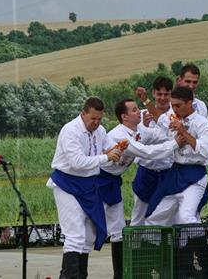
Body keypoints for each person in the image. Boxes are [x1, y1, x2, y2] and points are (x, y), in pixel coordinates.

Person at [100, 98, 181, 279]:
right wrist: (176, 143)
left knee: (118, 230)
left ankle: (123, 274)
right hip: (96, 180)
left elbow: (158, 135)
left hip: (112, 181)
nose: (140, 112)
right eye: (135, 110)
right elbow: (146, 153)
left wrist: (178, 129)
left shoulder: (139, 131)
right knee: (86, 230)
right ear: (124, 116)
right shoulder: (119, 135)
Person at [145, 86, 208, 278]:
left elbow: (206, 151)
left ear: (189, 103)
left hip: (194, 175)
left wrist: (184, 132)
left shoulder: (202, 124)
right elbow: (160, 119)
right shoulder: (172, 120)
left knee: (186, 217)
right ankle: (166, 266)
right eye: (172, 106)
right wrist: (145, 101)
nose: (174, 110)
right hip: (174, 173)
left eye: (177, 106)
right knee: (153, 218)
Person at [46, 97, 121, 279]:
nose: (96, 123)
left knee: (87, 236)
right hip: (67, 184)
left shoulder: (101, 130)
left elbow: (110, 148)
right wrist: (106, 157)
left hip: (88, 185)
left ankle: (79, 276)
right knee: (75, 235)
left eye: (99, 119)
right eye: (92, 119)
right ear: (83, 113)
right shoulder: (70, 130)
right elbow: (77, 162)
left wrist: (121, 150)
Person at [136, 63, 208, 189]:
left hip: (190, 166)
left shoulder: (201, 106)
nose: (191, 86)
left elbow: (205, 140)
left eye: (195, 82)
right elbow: (159, 118)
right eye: (187, 81)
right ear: (179, 80)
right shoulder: (169, 104)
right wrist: (145, 105)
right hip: (162, 165)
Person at [131, 76, 175, 226]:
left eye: (166, 94)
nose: (162, 98)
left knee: (165, 217)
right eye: (159, 94)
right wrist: (143, 126)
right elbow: (135, 141)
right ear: (154, 93)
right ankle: (134, 249)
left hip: (167, 171)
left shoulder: (175, 115)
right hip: (146, 170)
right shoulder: (142, 115)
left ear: (171, 94)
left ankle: (163, 248)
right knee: (139, 215)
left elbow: (168, 137)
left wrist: (151, 134)